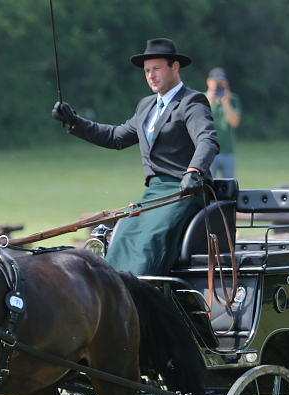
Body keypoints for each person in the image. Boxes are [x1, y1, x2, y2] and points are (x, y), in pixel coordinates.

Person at [51, 38, 219, 276]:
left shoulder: (191, 102)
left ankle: (140, 295)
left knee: (151, 240)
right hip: (153, 194)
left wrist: (195, 171)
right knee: (123, 233)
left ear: (175, 67)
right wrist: (75, 121)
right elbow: (115, 137)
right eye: (147, 71)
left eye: (157, 68)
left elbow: (207, 139)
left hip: (184, 191)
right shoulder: (146, 106)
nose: (151, 75)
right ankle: (114, 293)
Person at [205, 68, 241, 178]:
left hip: (227, 150)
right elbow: (202, 119)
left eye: (221, 83)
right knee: (209, 185)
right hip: (209, 150)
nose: (219, 86)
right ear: (209, 82)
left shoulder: (232, 99)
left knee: (229, 187)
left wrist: (226, 103)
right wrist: (210, 99)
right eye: (216, 83)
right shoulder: (202, 98)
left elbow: (234, 122)